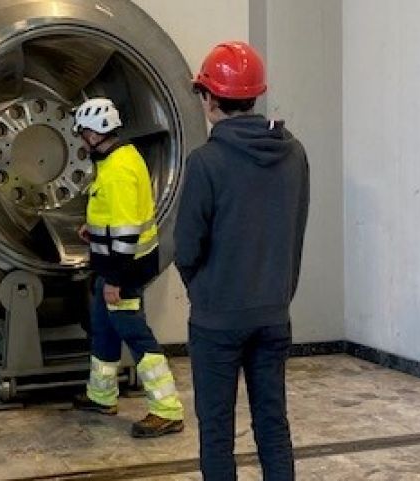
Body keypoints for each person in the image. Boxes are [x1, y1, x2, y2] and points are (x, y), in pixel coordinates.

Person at [175, 41, 309, 481]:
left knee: (216, 433)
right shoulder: (294, 154)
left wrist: (202, 289)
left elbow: (187, 246)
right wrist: (279, 292)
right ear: (255, 95)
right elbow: (296, 230)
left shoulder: (205, 162)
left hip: (217, 319)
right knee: (273, 425)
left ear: (210, 98)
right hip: (273, 312)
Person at [71, 98, 186, 438]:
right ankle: (101, 395)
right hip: (117, 265)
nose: (80, 139)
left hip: (125, 269)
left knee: (134, 334)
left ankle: (167, 410)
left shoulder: (118, 169)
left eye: (82, 133)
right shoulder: (118, 158)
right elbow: (118, 216)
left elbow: (126, 231)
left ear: (95, 133)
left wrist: (115, 280)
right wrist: (92, 228)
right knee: (104, 326)